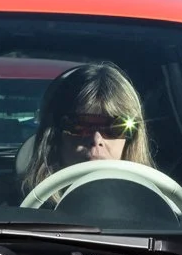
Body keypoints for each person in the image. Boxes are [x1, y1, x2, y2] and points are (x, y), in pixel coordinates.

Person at [20, 62, 154, 198]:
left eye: (116, 127)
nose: (96, 139)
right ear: (54, 135)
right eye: (80, 124)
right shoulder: (20, 206)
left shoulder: (153, 206)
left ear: (133, 138)